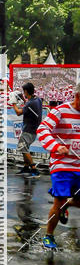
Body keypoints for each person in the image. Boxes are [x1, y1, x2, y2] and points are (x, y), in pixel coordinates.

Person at [36, 82, 80, 250]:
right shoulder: (60, 111)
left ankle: (67, 204)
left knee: (70, 201)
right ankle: (48, 235)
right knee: (59, 200)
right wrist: (56, 146)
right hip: (62, 164)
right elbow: (42, 129)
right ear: (77, 96)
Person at [12, 82, 42, 176]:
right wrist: (23, 100)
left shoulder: (30, 103)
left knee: (23, 148)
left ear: (26, 91)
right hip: (34, 129)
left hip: (29, 129)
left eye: (23, 91)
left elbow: (18, 112)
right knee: (25, 148)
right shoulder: (37, 99)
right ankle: (26, 167)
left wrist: (13, 103)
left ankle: (34, 169)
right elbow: (28, 106)